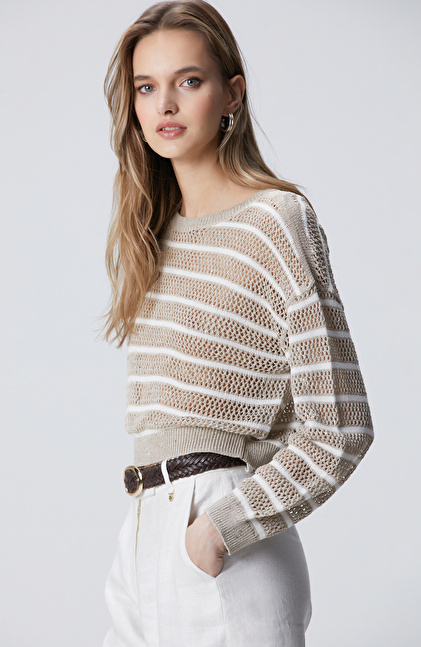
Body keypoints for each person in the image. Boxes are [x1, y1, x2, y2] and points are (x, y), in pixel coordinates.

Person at [101, 1, 374, 645]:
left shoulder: (275, 222)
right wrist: (154, 542)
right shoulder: (150, 238)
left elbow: (341, 426)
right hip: (141, 532)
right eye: (147, 87)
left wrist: (218, 530)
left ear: (232, 95)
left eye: (189, 81)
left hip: (223, 539)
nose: (166, 104)